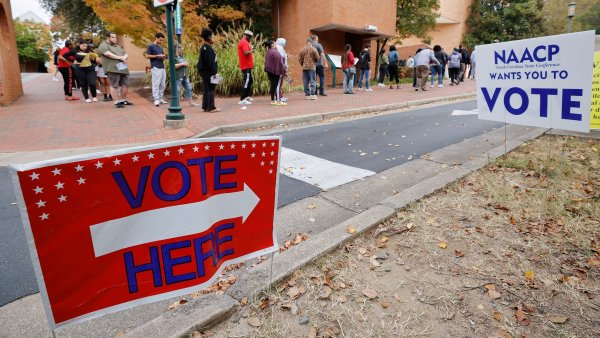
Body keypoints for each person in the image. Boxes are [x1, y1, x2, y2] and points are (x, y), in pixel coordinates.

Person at [98, 32, 132, 108]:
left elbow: (126, 54)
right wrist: (120, 58)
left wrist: (124, 57)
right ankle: (117, 102)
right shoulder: (103, 45)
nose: (115, 39)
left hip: (123, 68)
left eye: (115, 37)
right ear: (108, 37)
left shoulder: (117, 46)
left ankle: (123, 100)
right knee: (114, 85)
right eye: (113, 37)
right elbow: (108, 54)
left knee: (125, 84)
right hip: (112, 69)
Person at [197, 28, 219, 112]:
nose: (213, 38)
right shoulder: (207, 48)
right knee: (210, 88)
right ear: (209, 37)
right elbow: (210, 62)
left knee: (207, 88)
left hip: (204, 71)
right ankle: (211, 107)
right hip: (208, 71)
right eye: (212, 37)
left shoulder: (205, 47)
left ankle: (205, 107)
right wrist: (214, 72)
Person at [146, 32, 167, 107]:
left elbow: (162, 56)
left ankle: (160, 98)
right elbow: (147, 56)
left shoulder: (160, 47)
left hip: (162, 67)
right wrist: (157, 55)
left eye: (162, 40)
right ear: (157, 38)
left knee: (163, 84)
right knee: (156, 83)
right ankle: (156, 99)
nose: (161, 42)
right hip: (155, 67)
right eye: (160, 40)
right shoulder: (151, 46)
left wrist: (164, 57)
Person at [264, 40, 287, 105]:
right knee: (277, 86)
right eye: (275, 44)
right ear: (272, 45)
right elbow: (280, 62)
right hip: (276, 72)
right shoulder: (275, 52)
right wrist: (284, 71)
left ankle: (273, 100)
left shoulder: (268, 52)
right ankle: (278, 100)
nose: (276, 45)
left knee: (273, 85)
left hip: (269, 71)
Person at [237, 30, 254, 105]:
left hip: (247, 65)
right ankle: (242, 99)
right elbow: (246, 52)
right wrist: (251, 50)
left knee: (250, 81)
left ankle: (246, 96)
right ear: (246, 36)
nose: (250, 38)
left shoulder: (244, 42)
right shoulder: (244, 42)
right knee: (246, 82)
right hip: (245, 66)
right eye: (249, 37)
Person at [275, 38, 288, 102]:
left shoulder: (277, 47)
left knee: (278, 83)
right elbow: (281, 59)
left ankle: (279, 96)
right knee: (279, 84)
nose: (285, 44)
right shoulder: (279, 47)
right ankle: (279, 98)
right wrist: (284, 69)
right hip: (280, 69)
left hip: (278, 68)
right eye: (285, 42)